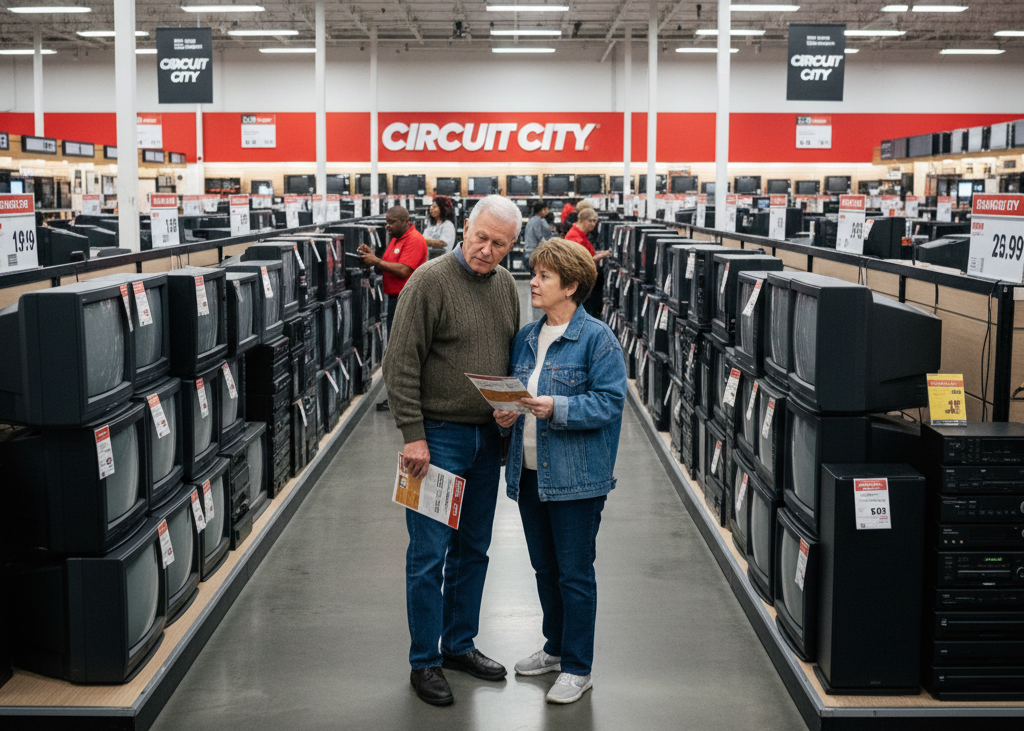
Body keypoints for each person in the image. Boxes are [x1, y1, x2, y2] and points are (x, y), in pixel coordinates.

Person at [382, 194, 522, 707]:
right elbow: (400, 362)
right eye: (481, 237)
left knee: (474, 550)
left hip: (487, 439)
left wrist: (509, 411)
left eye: (499, 244)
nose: (487, 250)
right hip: (437, 439)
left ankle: (459, 645)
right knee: (428, 554)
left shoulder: (505, 286)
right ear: (465, 228)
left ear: (511, 247)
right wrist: (412, 435)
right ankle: (425, 661)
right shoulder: (429, 281)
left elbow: (508, 357)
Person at [494, 237, 627, 704]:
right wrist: (507, 413)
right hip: (529, 473)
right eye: (535, 273)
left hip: (577, 479)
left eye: (544, 276)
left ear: (570, 286)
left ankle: (577, 667)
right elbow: (518, 394)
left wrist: (558, 407)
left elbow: (610, 402)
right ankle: (555, 648)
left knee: (574, 574)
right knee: (544, 569)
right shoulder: (527, 337)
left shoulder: (597, 339)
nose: (533, 282)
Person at [357, 205, 427, 335]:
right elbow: (388, 265)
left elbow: (403, 270)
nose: (387, 226)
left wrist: (376, 261)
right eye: (387, 222)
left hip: (408, 301)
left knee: (402, 341)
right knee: (394, 339)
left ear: (405, 221)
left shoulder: (414, 239)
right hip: (396, 300)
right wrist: (371, 257)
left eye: (391, 222)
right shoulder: (396, 239)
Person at [523, 200, 552, 271]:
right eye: (546, 209)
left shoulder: (531, 220)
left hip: (527, 253)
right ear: (542, 210)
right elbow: (539, 236)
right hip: (533, 254)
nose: (548, 211)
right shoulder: (538, 221)